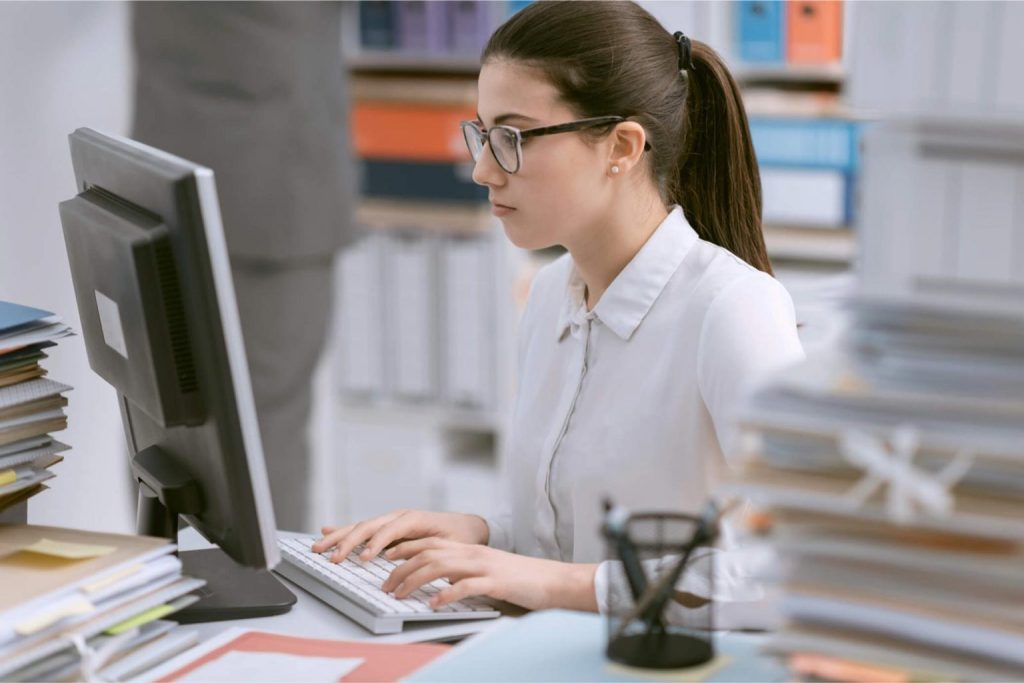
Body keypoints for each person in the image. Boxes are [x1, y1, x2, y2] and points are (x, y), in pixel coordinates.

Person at [314, 0, 804, 624]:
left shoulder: (733, 308)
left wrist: (559, 585)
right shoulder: (551, 294)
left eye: (512, 138)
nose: (481, 169)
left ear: (622, 147)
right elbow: (570, 536)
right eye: (483, 134)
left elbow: (797, 558)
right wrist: (480, 533)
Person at [131, 2, 356, 532]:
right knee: (259, 436)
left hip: (160, 176)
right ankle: (260, 601)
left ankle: (165, 599)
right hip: (274, 192)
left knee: (162, 421)